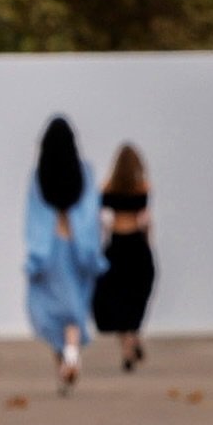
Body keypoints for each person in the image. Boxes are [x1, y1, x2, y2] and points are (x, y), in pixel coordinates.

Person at [25, 116, 106, 392]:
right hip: (76, 249)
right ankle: (72, 354)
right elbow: (89, 213)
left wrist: (35, 255)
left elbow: (33, 217)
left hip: (49, 250)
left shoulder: (39, 176)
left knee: (50, 310)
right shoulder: (85, 172)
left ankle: (63, 360)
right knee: (74, 311)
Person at [93, 142, 156, 371]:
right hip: (137, 245)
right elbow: (146, 220)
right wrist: (149, 245)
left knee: (117, 300)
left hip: (116, 246)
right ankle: (134, 337)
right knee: (136, 297)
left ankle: (127, 349)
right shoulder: (143, 188)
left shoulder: (107, 189)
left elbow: (102, 221)